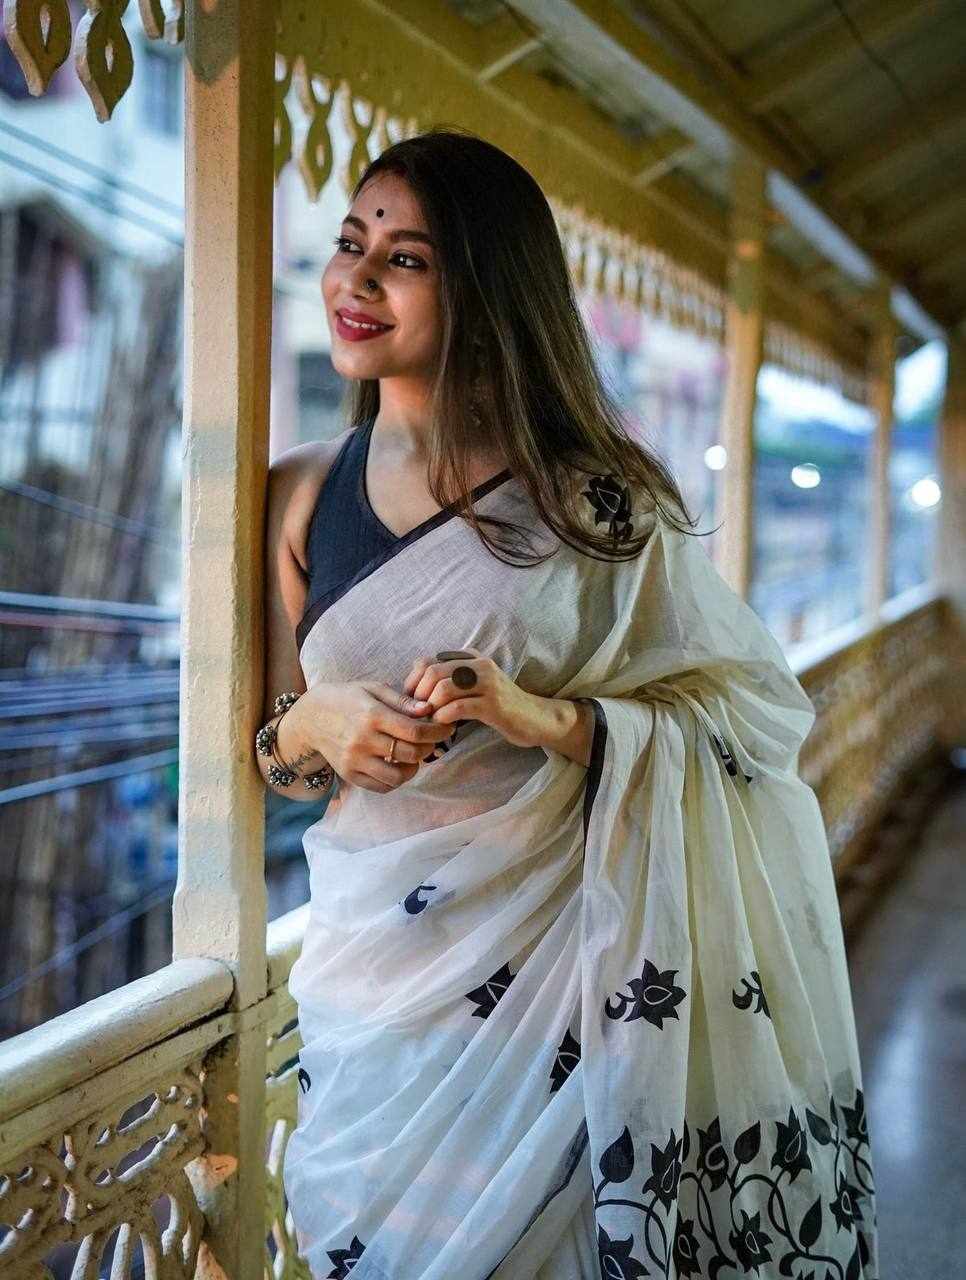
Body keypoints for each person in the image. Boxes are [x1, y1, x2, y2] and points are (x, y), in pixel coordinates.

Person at [259, 128, 879, 1280]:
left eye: (406, 258)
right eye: (351, 243)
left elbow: (749, 715)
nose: (356, 277)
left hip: (568, 972)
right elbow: (273, 757)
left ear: (488, 286)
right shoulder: (299, 491)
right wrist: (312, 726)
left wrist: (540, 716)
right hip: (373, 988)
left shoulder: (598, 501)